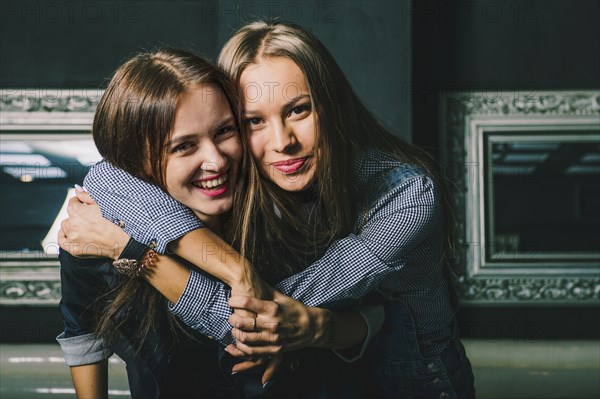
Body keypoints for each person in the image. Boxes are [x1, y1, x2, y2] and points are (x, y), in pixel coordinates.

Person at [62, 21, 475, 399]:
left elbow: (253, 320)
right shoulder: (266, 190)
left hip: (417, 380)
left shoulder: (406, 197)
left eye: (298, 110)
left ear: (331, 104)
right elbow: (106, 176)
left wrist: (133, 253)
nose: (282, 142)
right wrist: (236, 271)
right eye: (253, 121)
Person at [57, 47, 372, 399]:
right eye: (184, 146)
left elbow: (371, 318)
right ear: (137, 161)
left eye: (224, 131)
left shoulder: (293, 212)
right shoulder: (94, 232)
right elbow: (82, 331)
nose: (216, 161)